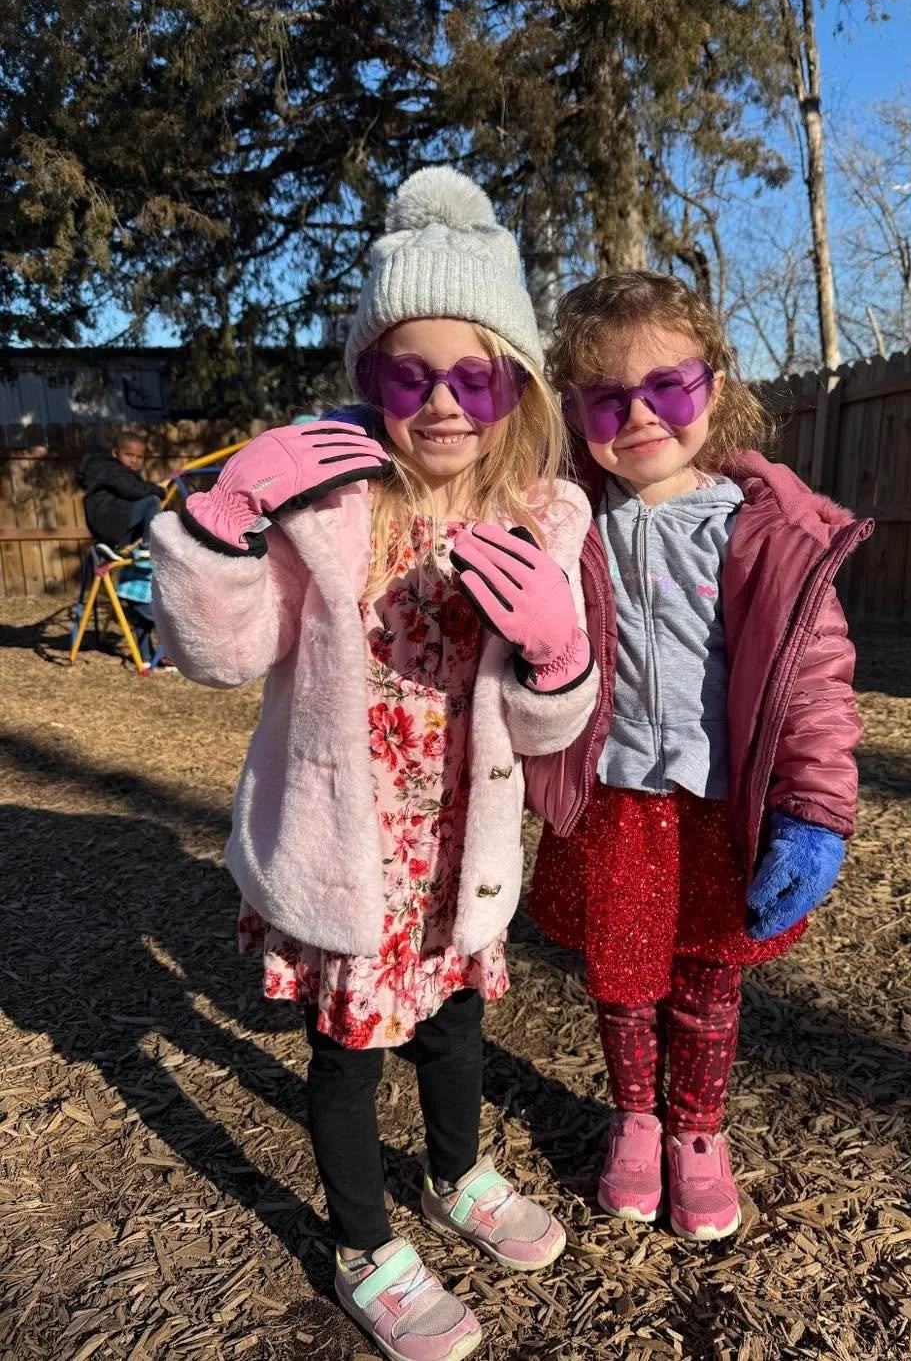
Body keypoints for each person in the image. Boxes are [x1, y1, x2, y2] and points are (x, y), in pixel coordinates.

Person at [150, 168, 599, 1361]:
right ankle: (361, 1242)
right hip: (354, 847)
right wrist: (218, 523)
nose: (445, 402)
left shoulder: (550, 517)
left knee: (455, 1027)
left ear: (517, 384)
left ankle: (457, 1171)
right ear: (371, 382)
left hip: (462, 843)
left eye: (477, 372)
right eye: (413, 373)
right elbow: (214, 652)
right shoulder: (326, 507)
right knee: (352, 1056)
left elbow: (549, 731)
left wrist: (558, 658)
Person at [524, 271, 873, 1244]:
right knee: (622, 977)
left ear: (710, 389)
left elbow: (812, 677)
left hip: (720, 806)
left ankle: (695, 1131)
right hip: (613, 800)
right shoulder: (562, 523)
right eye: (605, 396)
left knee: (709, 981)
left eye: (665, 388)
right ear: (573, 410)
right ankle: (634, 1118)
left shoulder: (760, 528)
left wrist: (814, 809)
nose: (638, 416)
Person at [78, 430, 166, 549]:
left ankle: (122, 549)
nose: (134, 460)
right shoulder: (112, 469)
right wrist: (160, 490)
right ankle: (149, 547)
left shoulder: (115, 471)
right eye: (129, 455)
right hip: (111, 518)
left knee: (148, 509)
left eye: (139, 457)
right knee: (152, 502)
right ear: (115, 452)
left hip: (113, 523)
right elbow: (131, 489)